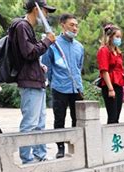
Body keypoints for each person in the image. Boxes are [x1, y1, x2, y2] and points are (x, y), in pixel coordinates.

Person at [9, 0, 57, 164]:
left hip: (36, 80)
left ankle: (40, 155)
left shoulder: (28, 28)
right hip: (29, 82)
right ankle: (27, 159)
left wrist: (39, 65)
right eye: (46, 11)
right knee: (30, 123)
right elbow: (28, 53)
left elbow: (30, 57)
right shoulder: (22, 26)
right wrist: (47, 41)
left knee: (40, 123)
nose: (47, 15)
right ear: (37, 9)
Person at [41, 13, 84, 159]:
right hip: (59, 87)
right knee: (59, 118)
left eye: (76, 25)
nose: (75, 28)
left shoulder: (79, 47)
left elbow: (79, 67)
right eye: (72, 25)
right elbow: (47, 66)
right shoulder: (54, 44)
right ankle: (60, 147)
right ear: (63, 25)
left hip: (76, 88)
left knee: (76, 118)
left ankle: (75, 146)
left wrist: (79, 84)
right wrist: (52, 82)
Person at [97, 24, 124, 124]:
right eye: (117, 36)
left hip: (119, 84)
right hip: (110, 85)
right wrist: (110, 89)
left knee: (117, 114)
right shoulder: (104, 50)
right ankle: (110, 138)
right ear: (110, 37)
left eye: (120, 37)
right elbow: (104, 71)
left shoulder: (118, 52)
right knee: (112, 116)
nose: (119, 39)